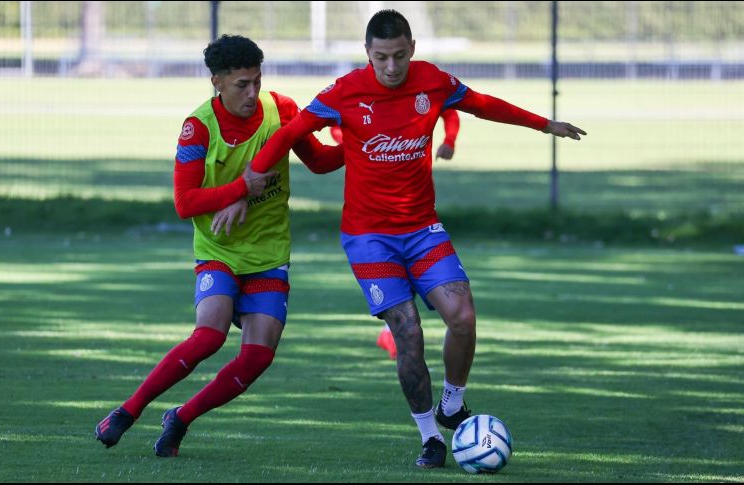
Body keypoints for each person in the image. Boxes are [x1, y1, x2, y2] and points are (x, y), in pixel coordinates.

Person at [248, 10, 586, 468]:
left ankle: (452, 403)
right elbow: (290, 133)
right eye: (381, 57)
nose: (391, 67)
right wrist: (253, 175)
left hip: (423, 229)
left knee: (463, 316)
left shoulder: (433, 82)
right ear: (368, 53)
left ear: (412, 49)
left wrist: (544, 124)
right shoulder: (344, 92)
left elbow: (484, 104)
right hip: (369, 237)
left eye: (399, 56)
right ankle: (430, 437)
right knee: (407, 331)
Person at [94, 34, 343, 457]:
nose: (252, 93)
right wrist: (240, 188)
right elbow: (185, 202)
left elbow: (318, 161)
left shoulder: (281, 109)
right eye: (242, 84)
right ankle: (128, 410)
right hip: (219, 250)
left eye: (257, 81)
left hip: (268, 253)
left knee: (258, 358)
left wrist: (361, 145)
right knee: (209, 336)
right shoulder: (198, 127)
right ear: (217, 82)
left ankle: (181, 418)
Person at [332, 110, 461, 361]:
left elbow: (449, 111)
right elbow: (337, 126)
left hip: (414, 204)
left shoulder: (419, 93)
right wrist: (357, 145)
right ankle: (391, 331)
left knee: (414, 264)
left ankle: (389, 332)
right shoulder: (355, 98)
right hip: (373, 211)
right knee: (395, 268)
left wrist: (449, 140)